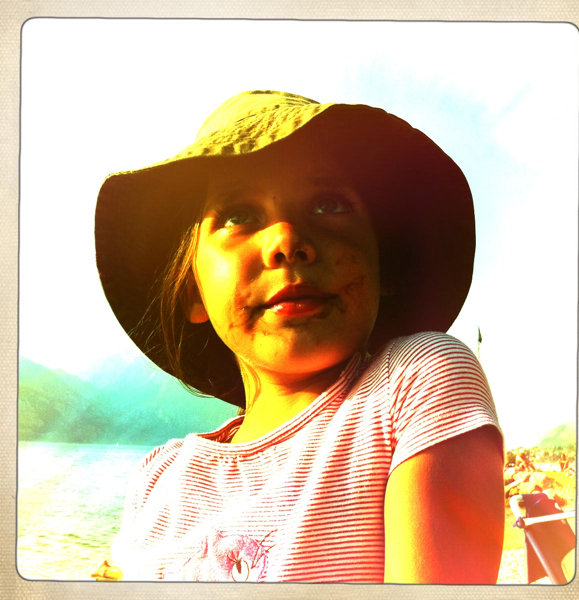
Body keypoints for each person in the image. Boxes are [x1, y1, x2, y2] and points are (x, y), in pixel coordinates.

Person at [93, 90, 505, 583]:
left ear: (386, 265)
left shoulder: (412, 384)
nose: (286, 239)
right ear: (193, 293)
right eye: (238, 216)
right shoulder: (157, 479)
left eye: (329, 205)